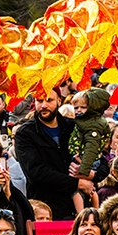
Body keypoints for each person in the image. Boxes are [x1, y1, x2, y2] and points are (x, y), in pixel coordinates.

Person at [14, 90, 93, 219]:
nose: (44, 105)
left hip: (80, 209)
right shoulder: (25, 133)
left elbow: (100, 161)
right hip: (46, 211)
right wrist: (76, 183)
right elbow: (35, 172)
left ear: (59, 101)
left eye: (49, 100)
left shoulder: (75, 127)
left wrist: (92, 174)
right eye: (40, 100)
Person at [68, 87, 111, 213]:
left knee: (77, 192)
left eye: (83, 107)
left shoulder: (92, 125)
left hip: (87, 162)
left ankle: (82, 215)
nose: (79, 110)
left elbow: (91, 148)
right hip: (85, 160)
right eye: (76, 108)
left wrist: (84, 170)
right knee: (90, 191)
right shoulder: (84, 122)